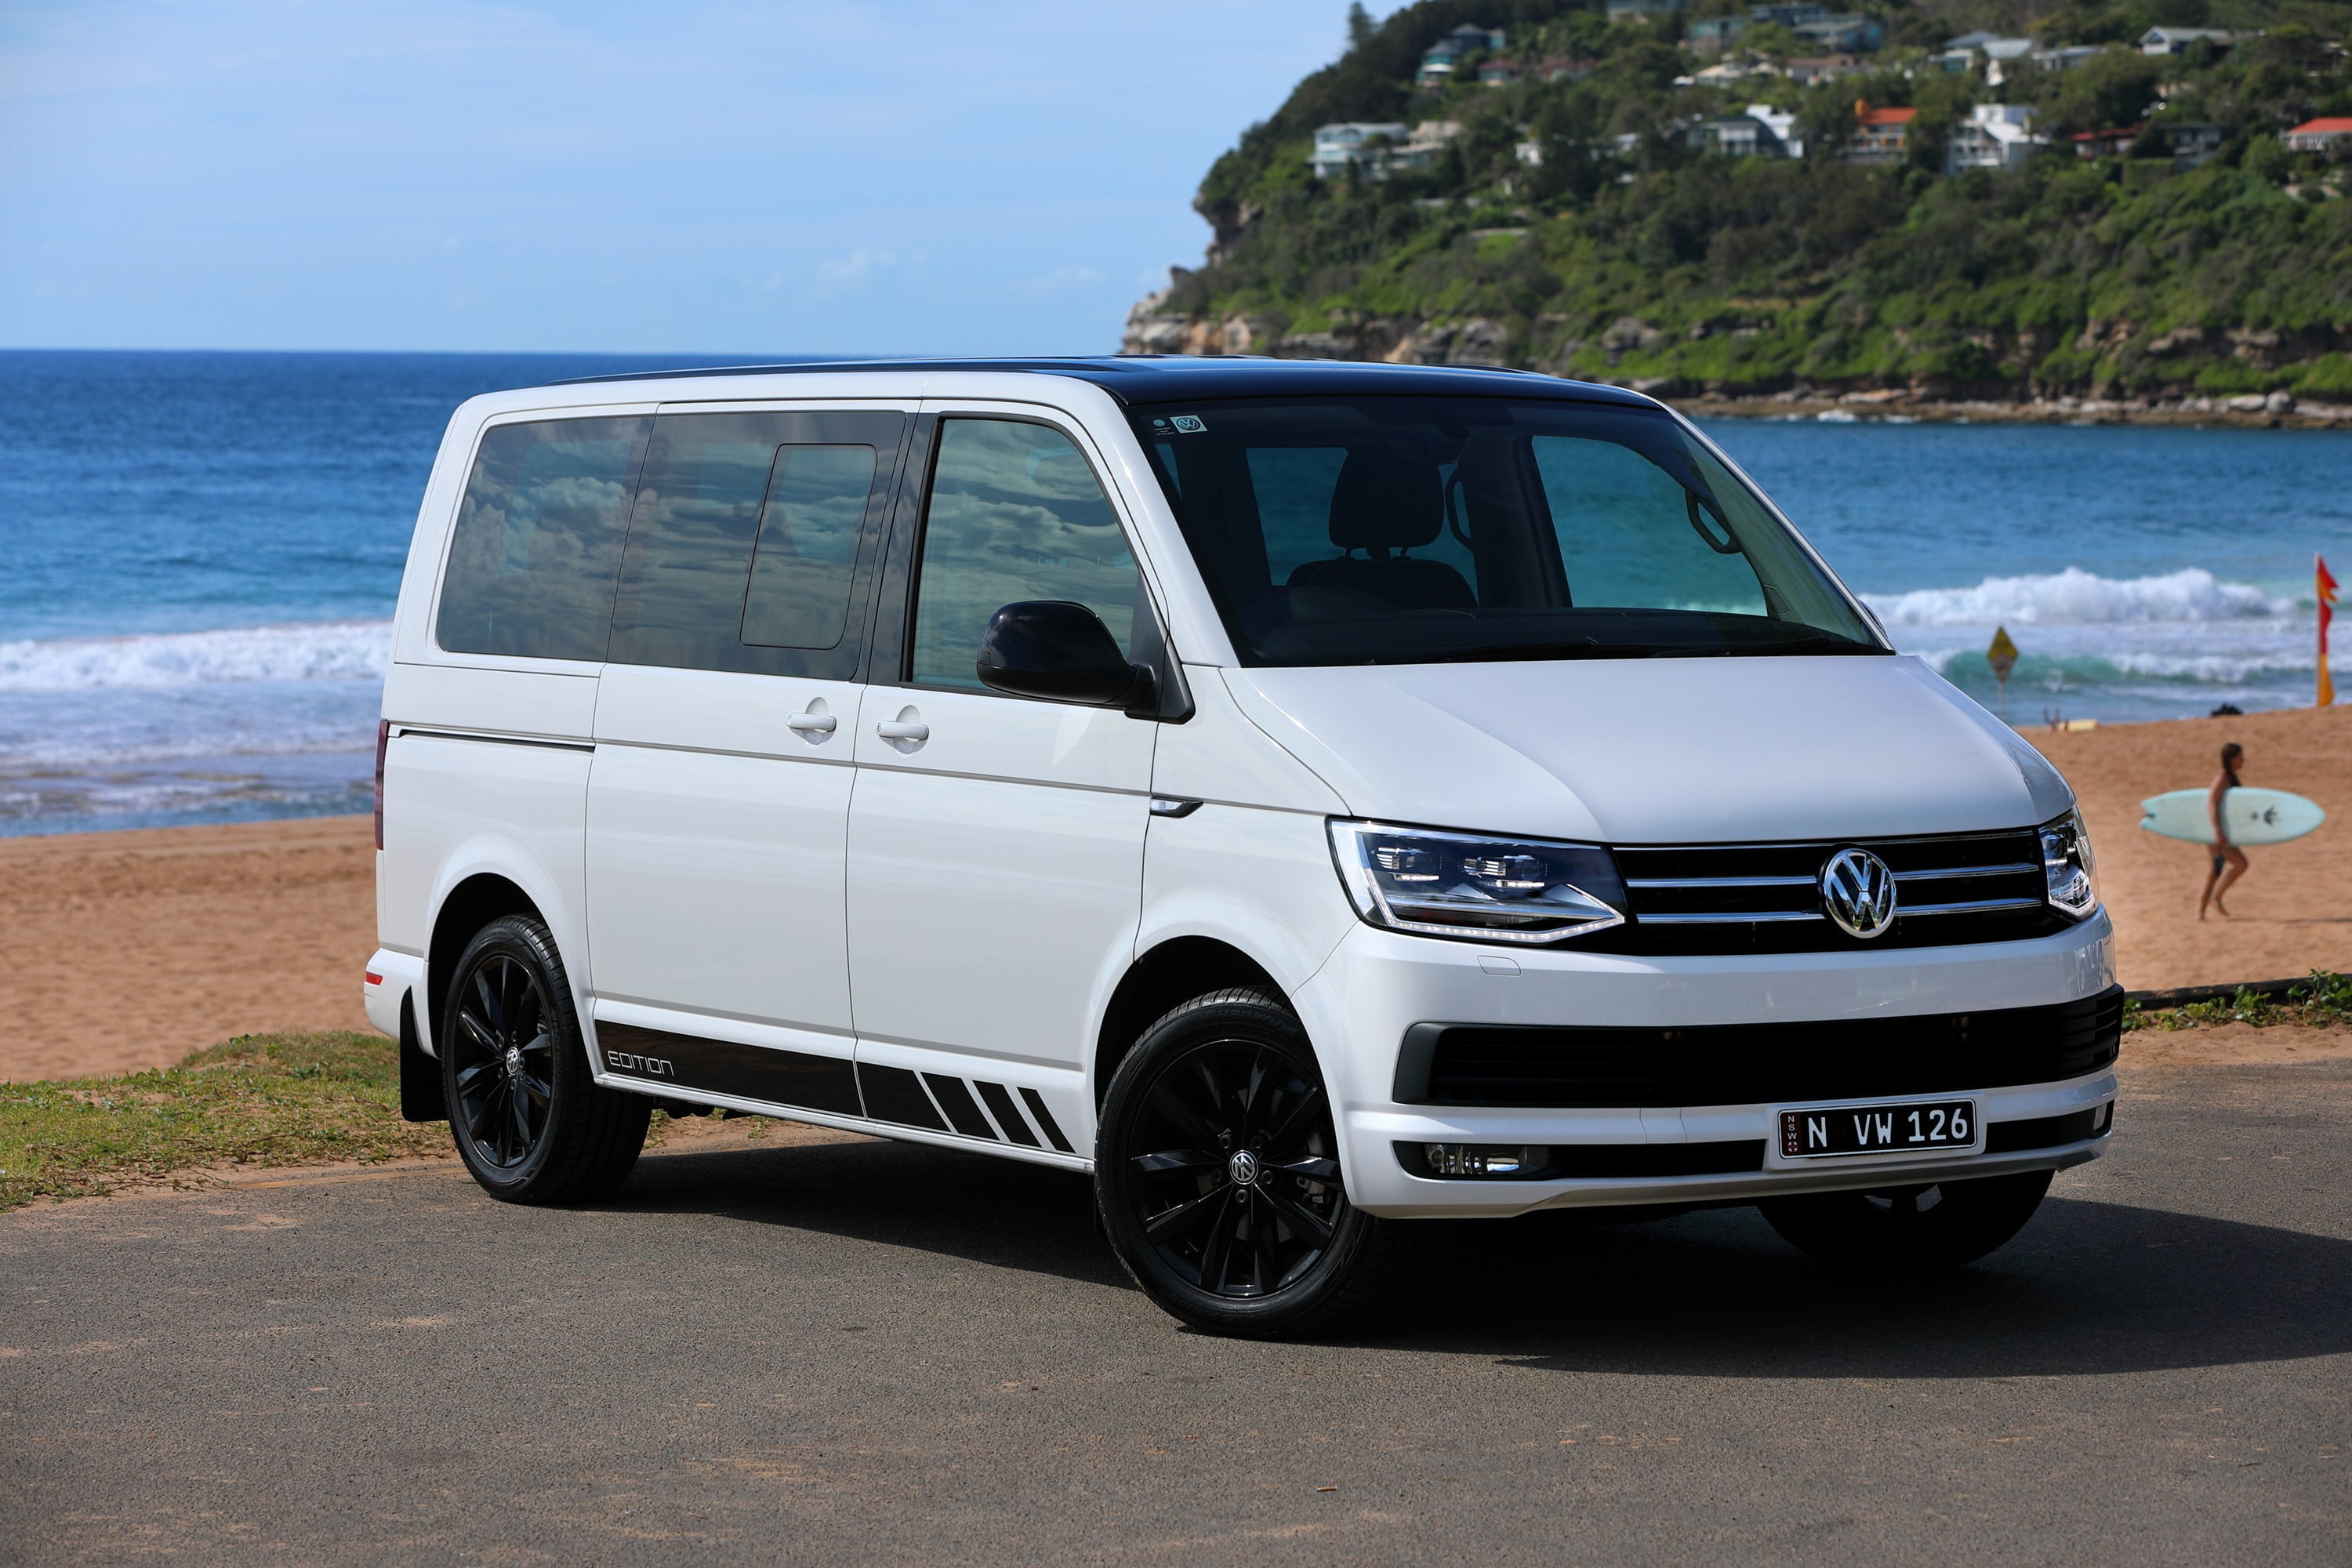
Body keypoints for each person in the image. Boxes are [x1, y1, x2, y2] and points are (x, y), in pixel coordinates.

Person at [2198, 742, 2248, 920]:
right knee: (2241, 864)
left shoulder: (2231, 777)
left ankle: (2202, 912)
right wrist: (2217, 831)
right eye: (2240, 756)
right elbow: (2212, 804)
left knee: (2214, 872)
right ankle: (2215, 898)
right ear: (2231, 759)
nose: (2243, 759)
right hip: (2216, 833)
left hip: (2221, 832)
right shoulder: (2223, 778)